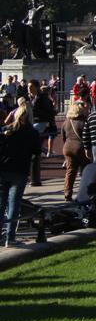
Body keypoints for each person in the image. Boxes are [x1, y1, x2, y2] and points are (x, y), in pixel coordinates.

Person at [0, 105, 41, 246]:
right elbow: (37, 152)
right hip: (20, 170)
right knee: (13, 206)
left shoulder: (7, 130)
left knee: (1, 204)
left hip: (4, 168)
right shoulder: (32, 132)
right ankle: (10, 238)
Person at [61, 101, 89, 202]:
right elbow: (87, 137)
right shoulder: (83, 121)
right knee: (85, 171)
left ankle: (67, 193)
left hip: (68, 147)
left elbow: (63, 136)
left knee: (70, 171)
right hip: (80, 148)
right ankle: (84, 193)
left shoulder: (66, 121)